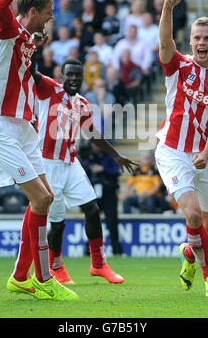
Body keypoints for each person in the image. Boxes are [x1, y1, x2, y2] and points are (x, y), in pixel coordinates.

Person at [0, 0, 78, 301]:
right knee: (42, 196)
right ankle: (44, 280)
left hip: (21, 124)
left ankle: (21, 277)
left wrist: (56, 85)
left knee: (43, 200)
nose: (51, 17)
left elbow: (27, 75)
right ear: (33, 11)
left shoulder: (28, 38)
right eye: (47, 13)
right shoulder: (7, 28)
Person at [155, 0, 208, 297]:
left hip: (205, 157)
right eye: (196, 38)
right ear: (190, 41)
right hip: (173, 151)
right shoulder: (179, 66)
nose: (201, 42)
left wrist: (205, 153)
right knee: (192, 216)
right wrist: (167, 6)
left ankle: (189, 255)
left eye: (207, 38)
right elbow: (165, 42)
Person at [29, 56, 138, 284]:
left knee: (92, 208)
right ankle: (56, 267)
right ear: (62, 76)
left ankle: (98, 264)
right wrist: (35, 47)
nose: (74, 78)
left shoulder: (81, 103)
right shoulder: (49, 89)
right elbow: (31, 71)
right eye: (70, 74)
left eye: (78, 75)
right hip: (48, 166)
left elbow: (92, 134)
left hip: (71, 162)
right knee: (58, 223)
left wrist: (116, 155)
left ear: (83, 77)